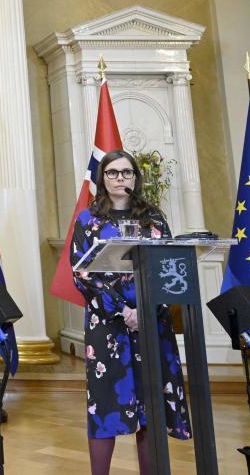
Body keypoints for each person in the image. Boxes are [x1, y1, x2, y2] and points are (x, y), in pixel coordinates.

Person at [70, 149, 191, 475]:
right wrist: (123, 310)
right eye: (113, 173)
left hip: (152, 323)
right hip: (108, 325)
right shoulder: (88, 219)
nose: (120, 178)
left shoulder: (154, 218)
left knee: (151, 407)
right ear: (103, 178)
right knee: (105, 406)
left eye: (126, 172)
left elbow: (168, 268)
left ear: (136, 177)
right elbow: (81, 273)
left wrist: (146, 310)